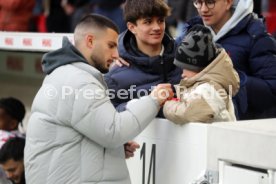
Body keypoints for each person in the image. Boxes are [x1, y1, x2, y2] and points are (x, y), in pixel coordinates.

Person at [24, 14, 173, 184]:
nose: (116, 54)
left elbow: (73, 135)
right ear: (89, 41)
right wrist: (153, 100)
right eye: (110, 46)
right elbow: (114, 131)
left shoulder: (65, 74)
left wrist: (110, 149)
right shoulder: (79, 82)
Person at [176, 0, 276, 119]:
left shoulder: (256, 37)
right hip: (194, 126)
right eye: (198, 2)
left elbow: (271, 90)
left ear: (228, 2)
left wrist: (231, 78)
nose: (203, 9)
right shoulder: (189, 34)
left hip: (240, 130)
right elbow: (174, 78)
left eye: (210, 2)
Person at [104, 0, 182, 117]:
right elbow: (110, 118)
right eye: (148, 22)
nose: (157, 27)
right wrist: (147, 103)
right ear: (132, 27)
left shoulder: (184, 56)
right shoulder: (116, 74)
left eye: (160, 21)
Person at [163, 25, 240, 124]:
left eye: (186, 68)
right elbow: (194, 96)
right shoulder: (207, 85)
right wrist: (174, 91)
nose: (182, 74)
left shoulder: (209, 88)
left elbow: (192, 112)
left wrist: (166, 105)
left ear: (198, 67)